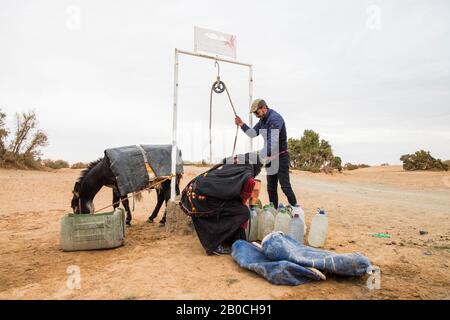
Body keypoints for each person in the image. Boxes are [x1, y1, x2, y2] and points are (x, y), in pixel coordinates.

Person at [180, 153, 262, 255]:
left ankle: (226, 238)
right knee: (243, 212)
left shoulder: (237, 161)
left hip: (194, 188)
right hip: (200, 195)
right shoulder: (248, 177)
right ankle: (213, 245)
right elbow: (242, 201)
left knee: (232, 208)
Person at [234, 99, 297, 208]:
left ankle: (297, 210)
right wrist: (241, 124)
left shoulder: (275, 118)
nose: (256, 115)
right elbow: (253, 133)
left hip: (281, 156)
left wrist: (259, 156)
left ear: (264, 108)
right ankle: (274, 211)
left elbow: (272, 142)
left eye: (257, 112)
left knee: (285, 187)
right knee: (271, 188)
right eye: (254, 114)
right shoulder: (262, 120)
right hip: (270, 158)